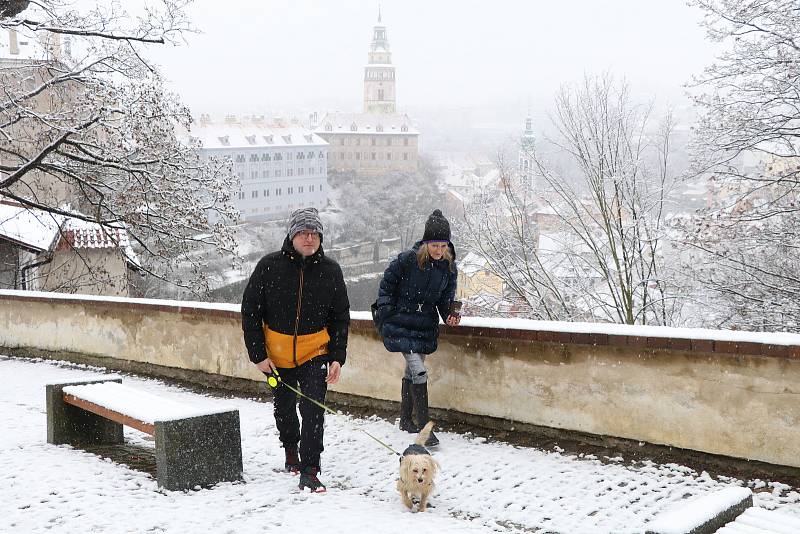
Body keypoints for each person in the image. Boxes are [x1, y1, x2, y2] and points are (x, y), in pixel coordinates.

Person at [241, 207, 350, 493]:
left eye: (313, 233)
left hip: (315, 352)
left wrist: (337, 356)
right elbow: (250, 311)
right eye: (303, 233)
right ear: (292, 236)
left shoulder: (331, 271)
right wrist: (258, 355)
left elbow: (340, 316)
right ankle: (291, 448)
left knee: (313, 409)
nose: (309, 238)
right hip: (275, 356)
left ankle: (310, 470)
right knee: (284, 406)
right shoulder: (268, 266)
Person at [373, 209, 460, 447]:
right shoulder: (406, 260)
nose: (439, 251)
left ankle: (405, 420)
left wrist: (450, 315)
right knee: (419, 371)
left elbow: (445, 300)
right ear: (425, 243)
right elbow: (386, 285)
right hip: (400, 322)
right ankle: (424, 429)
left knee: (412, 372)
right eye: (434, 245)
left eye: (443, 246)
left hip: (424, 324)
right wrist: (387, 311)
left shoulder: (449, 269)